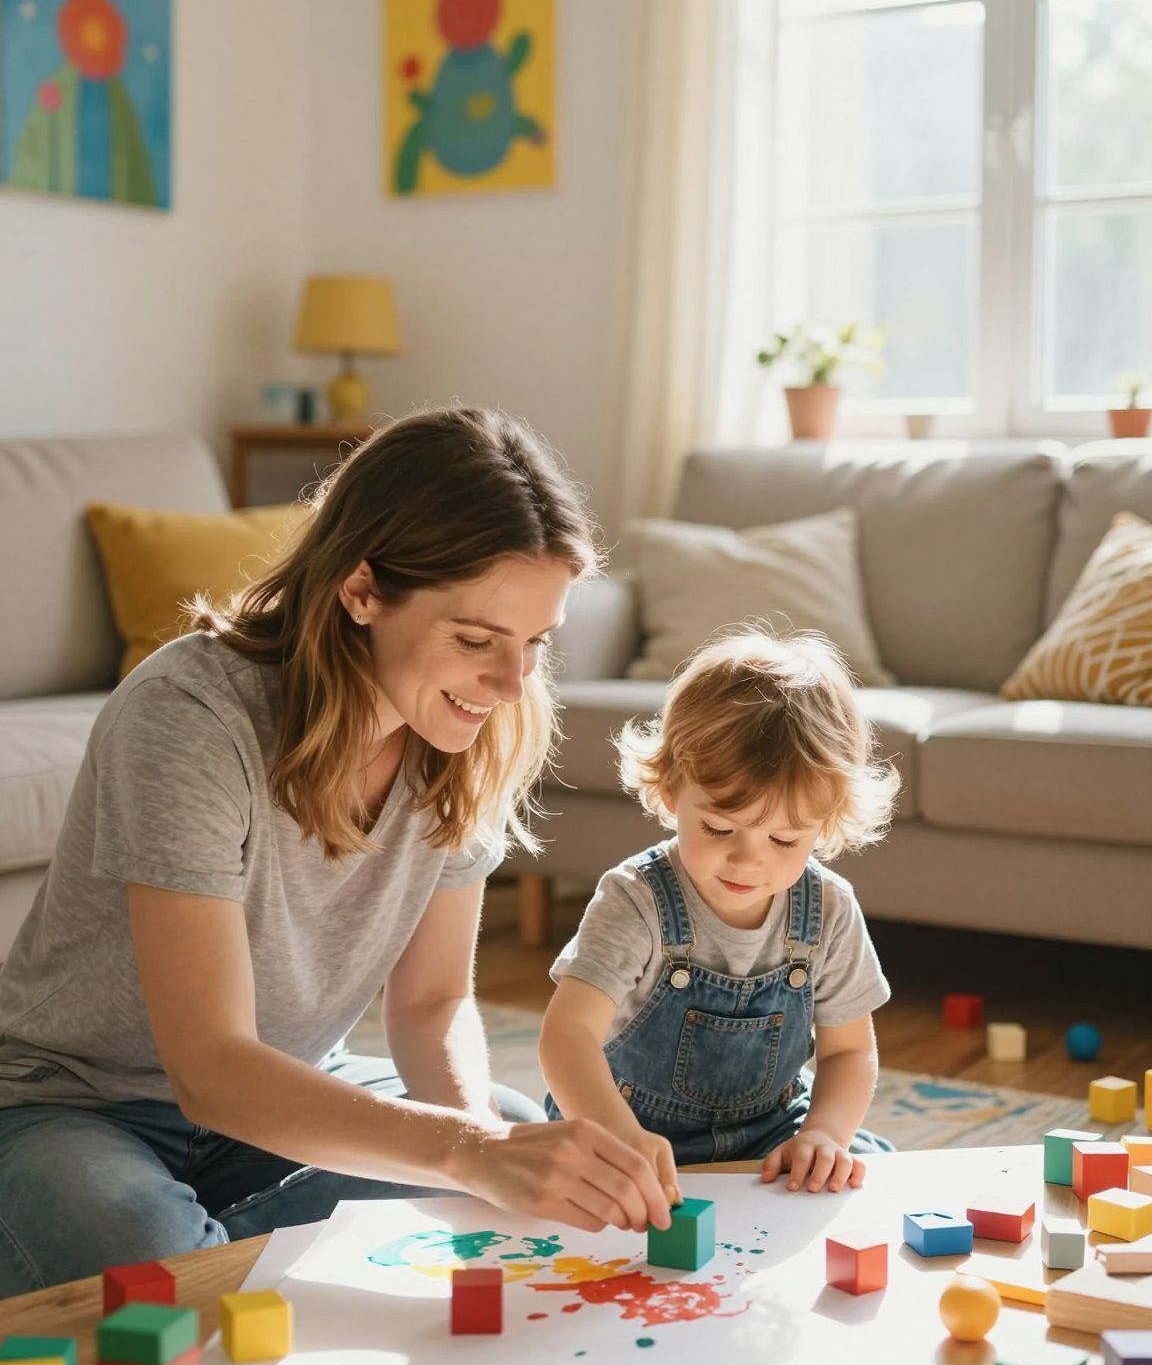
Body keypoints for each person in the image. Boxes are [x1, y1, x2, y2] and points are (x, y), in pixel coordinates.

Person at [0, 406, 673, 1297]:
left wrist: (478, 1149)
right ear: (362, 592)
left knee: (511, 1136)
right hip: (79, 1104)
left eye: (534, 645)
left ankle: (193, 1263)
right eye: (475, 639)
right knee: (151, 1245)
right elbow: (209, 1069)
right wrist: (465, 1158)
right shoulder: (191, 718)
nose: (511, 683)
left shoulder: (473, 728)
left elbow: (432, 1005)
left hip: (283, 1096)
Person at [539, 627, 900, 1194]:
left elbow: (851, 1050)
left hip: (771, 1136)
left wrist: (824, 1134)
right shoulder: (636, 898)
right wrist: (616, 1133)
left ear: (825, 826)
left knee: (868, 1161)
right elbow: (566, 1037)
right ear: (668, 790)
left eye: (784, 840)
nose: (746, 860)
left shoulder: (828, 909)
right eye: (717, 828)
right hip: (628, 1135)